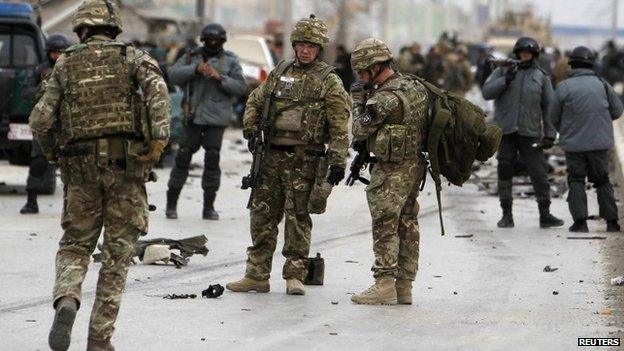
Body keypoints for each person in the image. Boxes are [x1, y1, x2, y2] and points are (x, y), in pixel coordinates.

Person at [28, 1, 171, 350]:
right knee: (117, 256)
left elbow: (40, 121)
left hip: (80, 170)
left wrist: (53, 155)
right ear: (114, 28)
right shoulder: (133, 58)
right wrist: (156, 144)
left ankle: (67, 298)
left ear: (82, 30)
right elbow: (159, 95)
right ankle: (99, 339)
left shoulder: (65, 64)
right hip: (125, 168)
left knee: (76, 245)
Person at [226, 15, 349, 296]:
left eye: (311, 46)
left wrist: (338, 161)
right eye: (301, 45)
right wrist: (251, 130)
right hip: (270, 158)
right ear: (294, 46)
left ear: (319, 49)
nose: (305, 51)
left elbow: (340, 124)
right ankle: (256, 274)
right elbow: (256, 100)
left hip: (305, 160)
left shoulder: (328, 81)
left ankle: (295, 275)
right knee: (262, 216)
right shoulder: (280, 72)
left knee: (298, 218)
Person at [348, 38, 429, 305]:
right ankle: (404, 286)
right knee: (408, 222)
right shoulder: (413, 86)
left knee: (385, 223)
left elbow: (360, 129)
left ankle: (384, 284)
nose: (360, 76)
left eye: (362, 71)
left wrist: (358, 101)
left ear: (376, 65)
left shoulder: (383, 98)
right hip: (414, 166)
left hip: (391, 170)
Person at [165, 23, 246, 220]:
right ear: (202, 40)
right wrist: (195, 69)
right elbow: (173, 75)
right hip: (192, 118)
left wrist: (220, 78)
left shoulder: (230, 61)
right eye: (208, 40)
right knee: (182, 158)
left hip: (216, 120)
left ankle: (208, 208)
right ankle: (171, 205)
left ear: (222, 41)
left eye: (215, 40)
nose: (212, 43)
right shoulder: (191, 56)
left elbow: (241, 87)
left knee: (212, 160)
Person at [482, 37, 564, 229]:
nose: (525, 56)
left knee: (539, 173)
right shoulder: (503, 70)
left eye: (529, 53)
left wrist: (550, 133)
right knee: (504, 171)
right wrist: (505, 80)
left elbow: (548, 107)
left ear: (534, 55)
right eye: (522, 52)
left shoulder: (541, 76)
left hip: (530, 132)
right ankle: (506, 215)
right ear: (517, 52)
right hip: (506, 131)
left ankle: (545, 214)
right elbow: (487, 92)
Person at [552, 46, 623, 233]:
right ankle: (612, 222)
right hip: (599, 144)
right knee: (602, 181)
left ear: (571, 64)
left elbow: (553, 117)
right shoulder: (603, 85)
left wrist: (565, 130)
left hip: (574, 146)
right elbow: (617, 111)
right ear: (591, 64)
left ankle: (580, 223)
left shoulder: (564, 87)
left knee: (576, 181)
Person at [20, 33, 71, 214]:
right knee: (38, 163)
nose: (56, 56)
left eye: (60, 52)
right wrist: (45, 89)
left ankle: (71, 207)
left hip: (67, 124)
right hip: (45, 124)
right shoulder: (40, 71)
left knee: (72, 164)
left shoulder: (71, 70)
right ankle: (31, 201)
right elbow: (26, 92)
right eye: (53, 53)